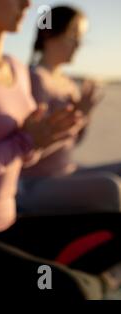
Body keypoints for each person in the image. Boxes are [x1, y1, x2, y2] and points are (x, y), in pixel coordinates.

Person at [0, 0, 121, 299]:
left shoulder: (17, 70)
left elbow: (29, 152)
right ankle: (80, 281)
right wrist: (25, 143)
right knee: (74, 292)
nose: (28, 3)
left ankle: (73, 278)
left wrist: (60, 129)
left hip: (10, 224)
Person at [18, 5, 121, 214]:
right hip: (34, 181)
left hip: (66, 170)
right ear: (48, 33)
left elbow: (73, 142)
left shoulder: (68, 83)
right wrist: (77, 117)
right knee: (110, 188)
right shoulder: (35, 79)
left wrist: (85, 114)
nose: (78, 44)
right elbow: (31, 147)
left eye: (81, 37)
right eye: (73, 34)